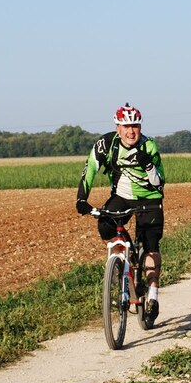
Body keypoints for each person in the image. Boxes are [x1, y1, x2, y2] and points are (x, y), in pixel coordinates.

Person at [76, 103, 165, 318]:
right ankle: (120, 264)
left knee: (151, 246)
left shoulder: (149, 146)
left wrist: (148, 165)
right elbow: (90, 168)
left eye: (135, 126)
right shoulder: (106, 144)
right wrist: (81, 198)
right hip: (122, 197)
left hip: (149, 198)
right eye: (126, 126)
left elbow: (159, 182)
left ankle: (152, 295)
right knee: (105, 225)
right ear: (117, 128)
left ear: (140, 127)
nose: (131, 131)